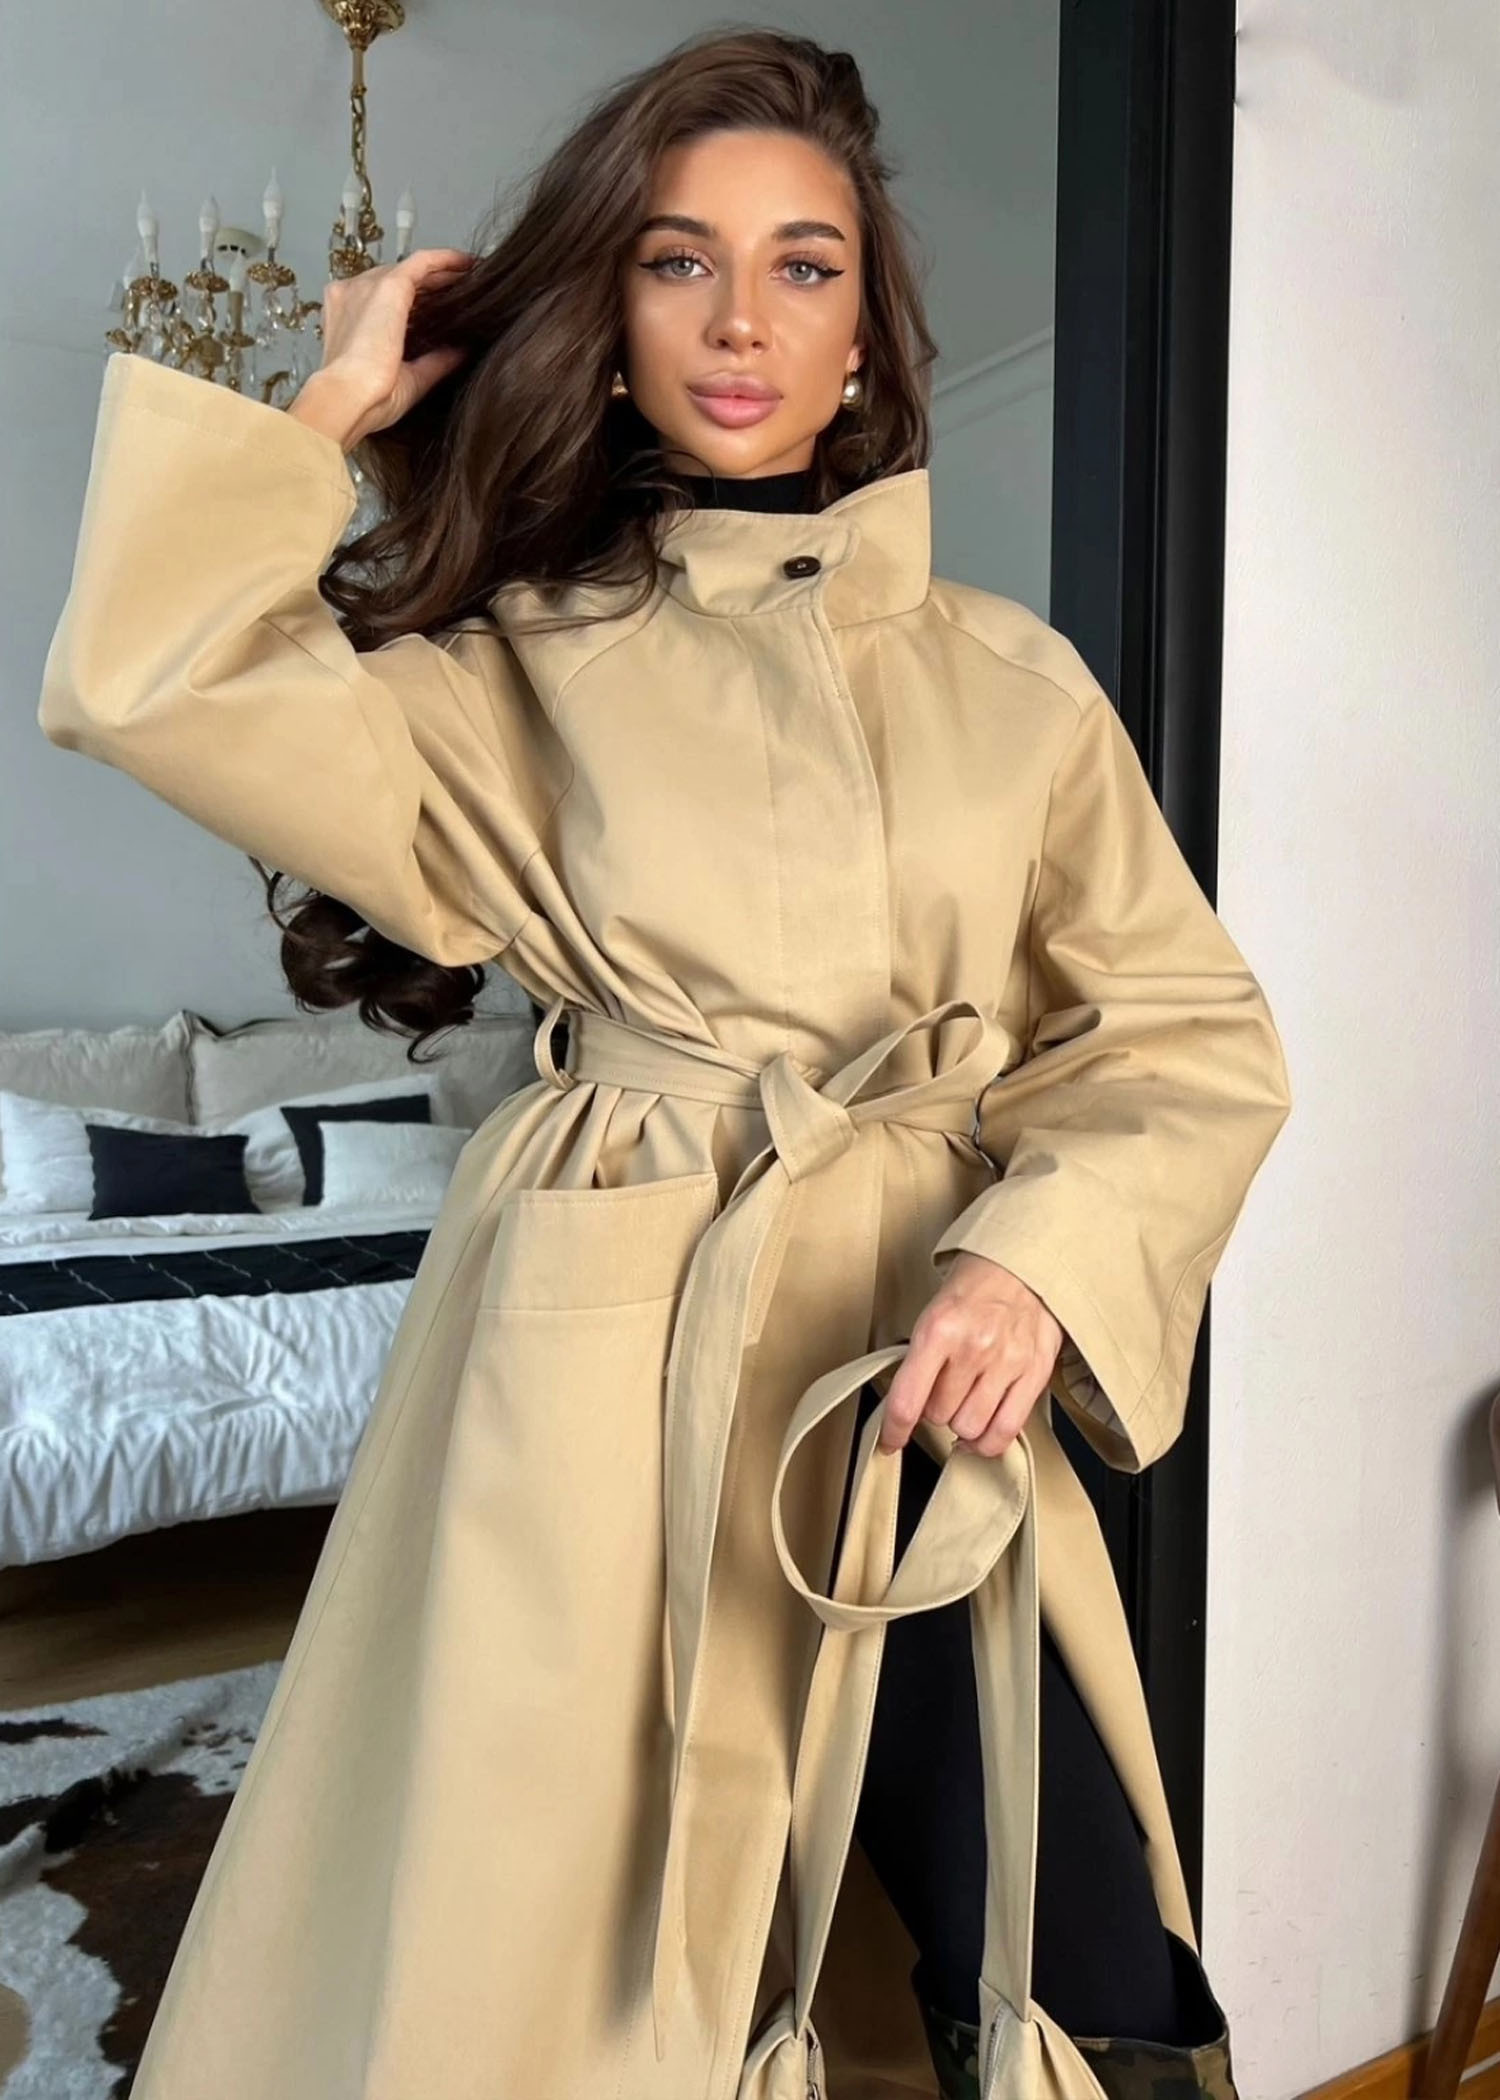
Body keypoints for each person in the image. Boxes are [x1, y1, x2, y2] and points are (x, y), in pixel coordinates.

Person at [36, 26, 1291, 2100]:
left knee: (1069, 1935)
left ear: (867, 336)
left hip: (927, 1360)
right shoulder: (502, 670)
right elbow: (157, 681)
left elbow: (1181, 1031)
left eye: (804, 265)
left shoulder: (1018, 684)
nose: (739, 318)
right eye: (676, 260)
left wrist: (1039, 1260)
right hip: (605, 1366)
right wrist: (333, 409)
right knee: (572, 1961)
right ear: (607, 322)